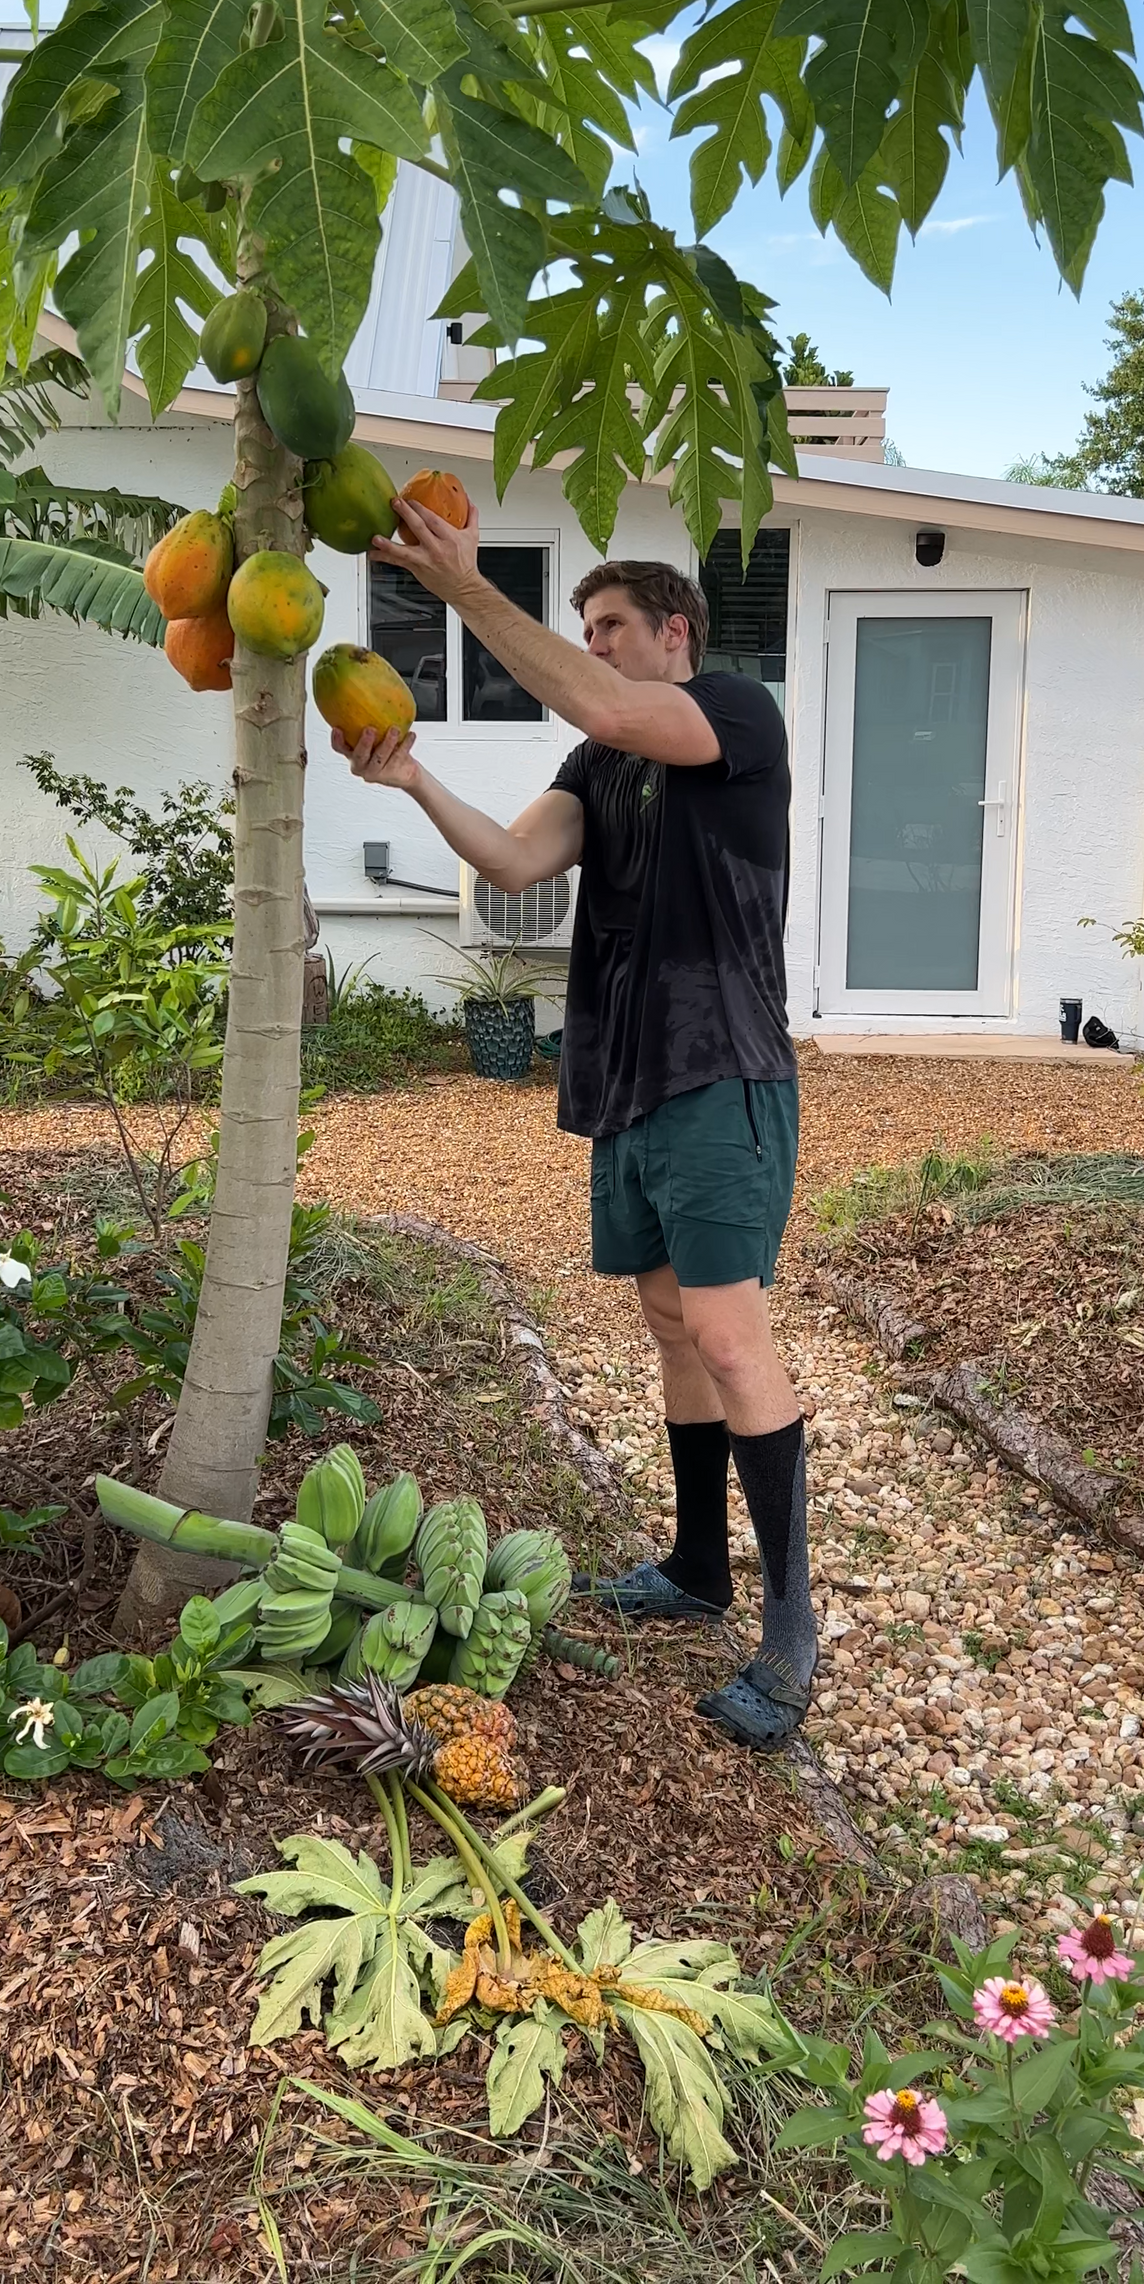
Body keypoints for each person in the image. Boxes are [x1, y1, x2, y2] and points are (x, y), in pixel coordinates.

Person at [332, 490, 818, 1749]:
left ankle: (789, 1631)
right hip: (629, 1082)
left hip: (723, 1066)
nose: (592, 642)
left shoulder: (733, 716)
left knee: (723, 1329)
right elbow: (508, 861)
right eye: (583, 625)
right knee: (667, 1322)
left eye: (609, 623)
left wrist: (459, 588)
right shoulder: (596, 767)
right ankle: (696, 1568)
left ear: (674, 633)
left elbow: (608, 706)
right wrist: (412, 773)